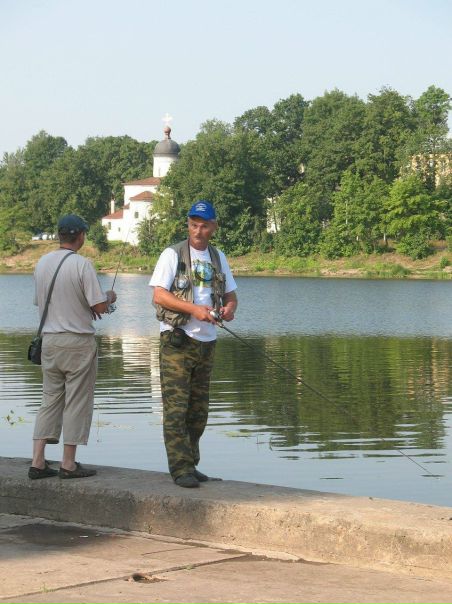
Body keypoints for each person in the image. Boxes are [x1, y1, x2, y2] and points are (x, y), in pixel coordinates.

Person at [150, 200, 238, 488]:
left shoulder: (218, 257)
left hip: (207, 342)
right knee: (176, 409)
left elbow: (231, 296)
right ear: (188, 225)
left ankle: (191, 463)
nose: (198, 231)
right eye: (193, 225)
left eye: (204, 226)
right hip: (177, 339)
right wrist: (194, 310)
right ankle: (180, 469)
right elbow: (159, 295)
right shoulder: (172, 254)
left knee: (198, 411)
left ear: (214, 227)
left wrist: (228, 310)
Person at [28, 214, 117, 480]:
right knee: (77, 401)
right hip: (77, 343)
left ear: (59, 235)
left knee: (49, 401)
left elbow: (43, 302)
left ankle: (37, 462)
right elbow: (99, 306)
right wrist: (109, 297)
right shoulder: (82, 264)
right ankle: (68, 464)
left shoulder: (42, 263)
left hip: (50, 342)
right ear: (81, 236)